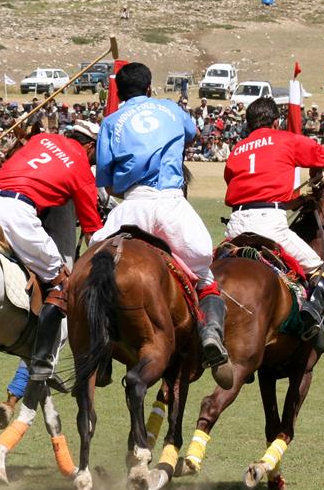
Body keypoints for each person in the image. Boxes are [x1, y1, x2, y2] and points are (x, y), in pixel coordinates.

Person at [91, 62, 228, 368]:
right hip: (170, 203)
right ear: (150, 87)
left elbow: (108, 184)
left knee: (90, 266)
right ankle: (210, 334)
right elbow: (191, 135)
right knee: (203, 263)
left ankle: (97, 344)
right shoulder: (171, 109)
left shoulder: (111, 123)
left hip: (131, 207)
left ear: (119, 92)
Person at [0, 120, 102, 383]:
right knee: (62, 285)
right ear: (91, 147)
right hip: (16, 215)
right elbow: (92, 232)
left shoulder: (41, 140)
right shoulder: (82, 167)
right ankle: (40, 362)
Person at [223, 97, 324, 340]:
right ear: (276, 122)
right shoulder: (284, 139)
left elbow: (240, 186)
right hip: (270, 224)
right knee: (322, 269)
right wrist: (316, 168)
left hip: (236, 226)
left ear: (248, 123)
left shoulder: (237, 149)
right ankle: (311, 315)